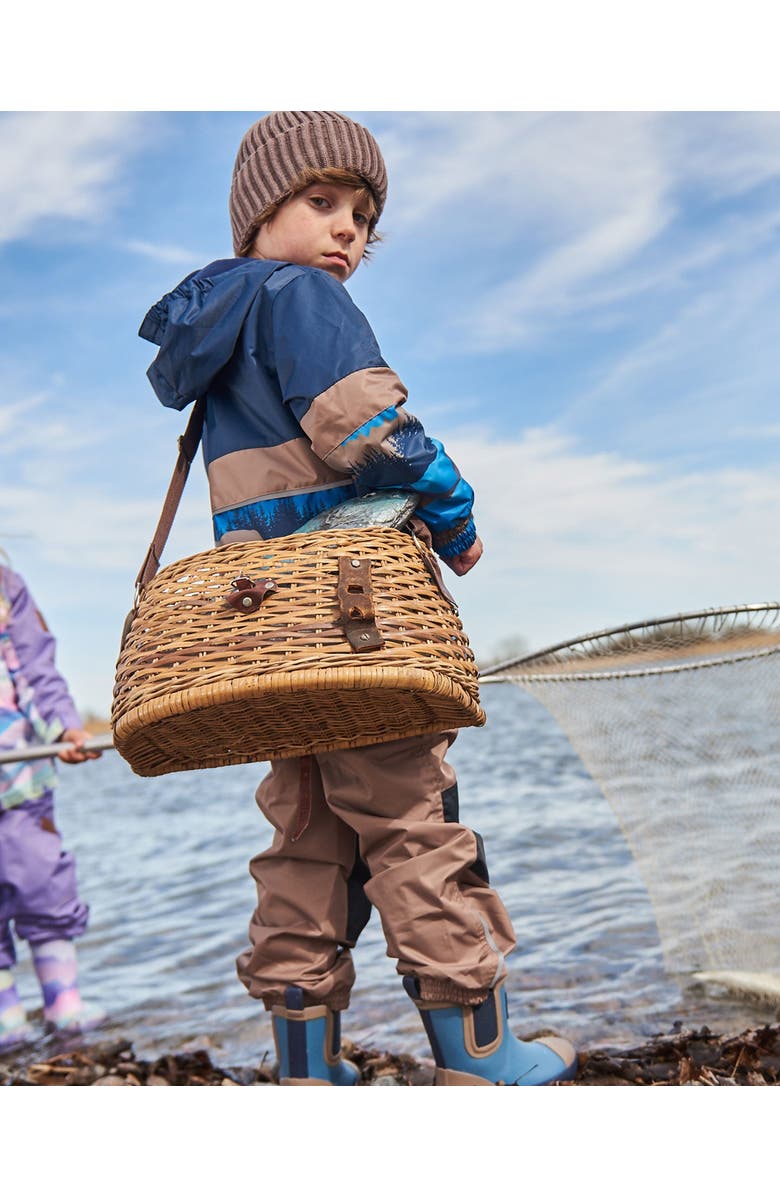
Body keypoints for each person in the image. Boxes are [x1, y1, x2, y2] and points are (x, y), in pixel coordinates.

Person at [139, 111, 577, 1086]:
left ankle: (307, 1064)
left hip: (275, 640)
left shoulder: (217, 335)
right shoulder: (301, 296)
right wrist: (456, 516)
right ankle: (480, 1050)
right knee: (418, 822)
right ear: (260, 215)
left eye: (365, 217)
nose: (349, 231)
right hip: (357, 622)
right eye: (323, 201)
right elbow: (369, 429)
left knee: (305, 842)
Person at [0, 559, 105, 1053]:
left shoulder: (5, 585)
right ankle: (7, 1024)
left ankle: (65, 1007)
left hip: (19, 781)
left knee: (44, 882)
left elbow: (37, 669)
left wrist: (64, 726)